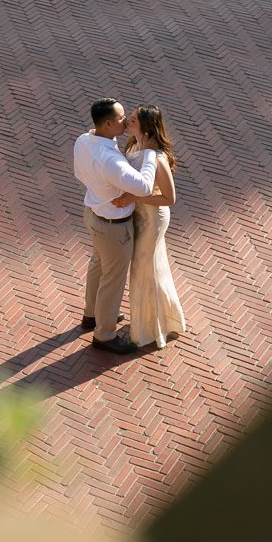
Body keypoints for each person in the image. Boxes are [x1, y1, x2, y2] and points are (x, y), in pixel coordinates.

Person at [73, 98, 159, 353]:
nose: (127, 122)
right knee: (113, 280)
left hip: (93, 213)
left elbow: (80, 174)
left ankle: (91, 314)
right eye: (122, 118)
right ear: (108, 123)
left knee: (98, 265)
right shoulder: (111, 161)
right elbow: (143, 187)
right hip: (114, 227)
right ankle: (105, 334)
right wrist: (150, 155)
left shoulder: (83, 140)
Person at [115, 105, 186, 350]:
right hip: (137, 214)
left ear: (145, 127)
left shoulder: (157, 157)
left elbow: (169, 198)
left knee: (143, 271)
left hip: (153, 217)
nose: (127, 122)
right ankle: (164, 319)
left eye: (132, 120)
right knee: (152, 269)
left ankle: (147, 331)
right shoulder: (133, 145)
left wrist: (135, 198)